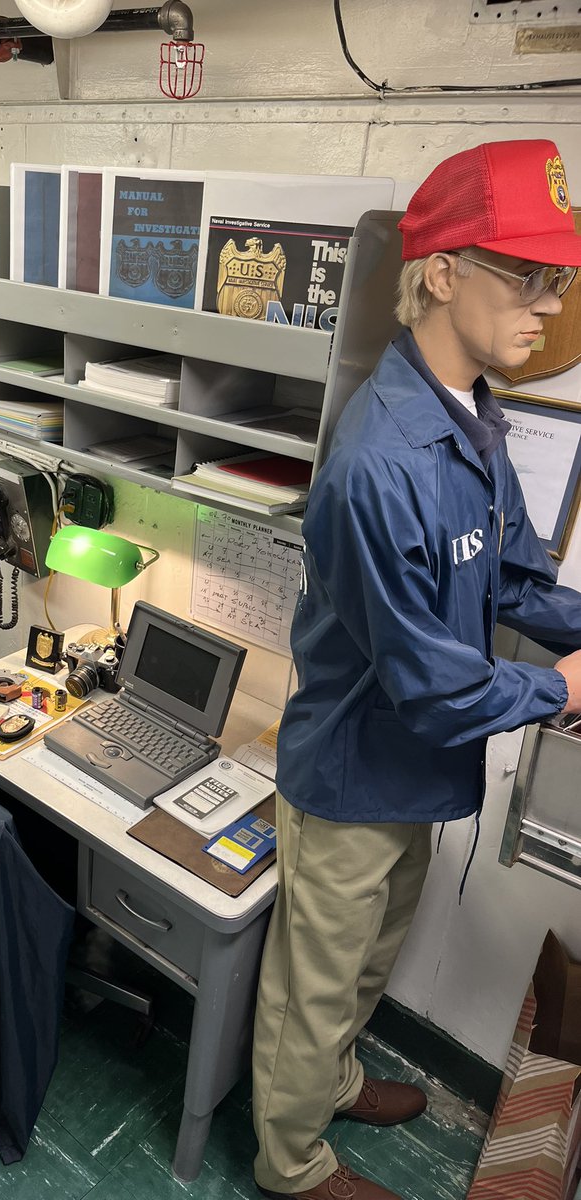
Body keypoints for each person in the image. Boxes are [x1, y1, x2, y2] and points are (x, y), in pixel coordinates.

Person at [251, 138, 581, 1200]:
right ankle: (292, 1163)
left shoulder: (475, 417)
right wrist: (568, 689)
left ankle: (336, 1080)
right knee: (314, 982)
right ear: (443, 273)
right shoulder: (379, 462)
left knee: (372, 954)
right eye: (528, 278)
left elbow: (517, 578)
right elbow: (439, 689)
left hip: (416, 773)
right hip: (354, 774)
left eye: (559, 281)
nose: (549, 305)